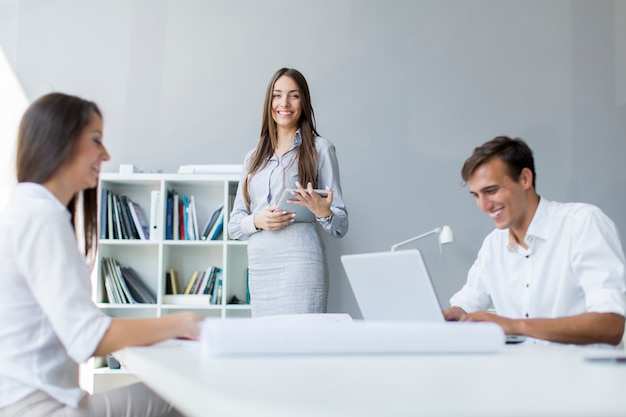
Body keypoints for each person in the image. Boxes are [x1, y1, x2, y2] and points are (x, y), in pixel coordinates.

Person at [0, 92, 203, 417]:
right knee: (188, 393)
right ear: (60, 141)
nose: (105, 154)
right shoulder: (41, 217)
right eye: (96, 140)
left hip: (22, 402)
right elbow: (87, 338)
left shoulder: (24, 211)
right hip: (38, 408)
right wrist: (185, 321)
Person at [444, 136, 626, 346]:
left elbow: (610, 325)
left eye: (491, 191)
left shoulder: (583, 224)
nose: (483, 206)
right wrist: (454, 315)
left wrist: (514, 325)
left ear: (525, 179)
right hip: (519, 374)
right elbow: (468, 300)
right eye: (476, 196)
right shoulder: (493, 245)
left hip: (583, 374)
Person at [229, 68, 348, 317]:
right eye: (277, 95)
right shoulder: (252, 158)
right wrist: (257, 220)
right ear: (269, 102)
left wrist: (323, 212)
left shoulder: (321, 149)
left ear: (304, 102)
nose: (284, 103)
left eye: (294, 96)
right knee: (266, 349)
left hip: (301, 264)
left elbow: (340, 225)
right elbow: (234, 226)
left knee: (302, 346)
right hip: (261, 268)